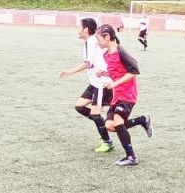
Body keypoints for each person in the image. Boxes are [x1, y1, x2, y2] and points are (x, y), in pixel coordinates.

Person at [95, 25, 153, 167]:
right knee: (110, 125)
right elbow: (116, 72)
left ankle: (131, 157)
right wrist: (105, 74)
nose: (97, 42)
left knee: (118, 121)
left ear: (108, 37)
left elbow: (134, 71)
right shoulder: (106, 55)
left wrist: (115, 84)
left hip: (127, 94)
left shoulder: (121, 51)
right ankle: (142, 120)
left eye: (99, 39)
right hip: (117, 95)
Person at [59, 18, 114, 153]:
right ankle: (102, 124)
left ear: (86, 30)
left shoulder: (91, 42)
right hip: (94, 83)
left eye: (80, 27)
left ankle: (107, 141)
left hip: (101, 84)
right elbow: (93, 64)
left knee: (95, 114)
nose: (78, 30)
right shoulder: (91, 42)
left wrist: (69, 71)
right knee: (79, 106)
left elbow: (88, 64)